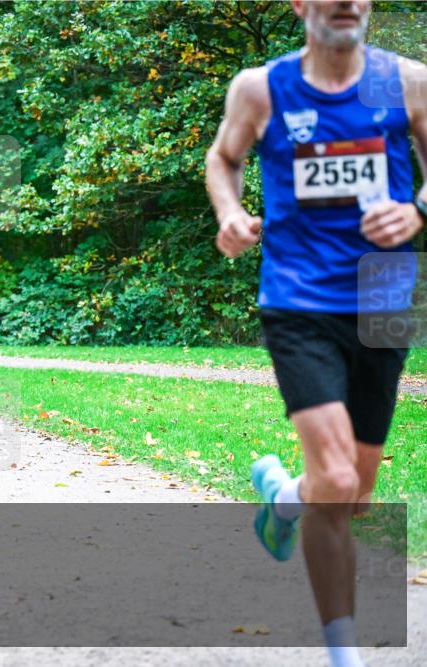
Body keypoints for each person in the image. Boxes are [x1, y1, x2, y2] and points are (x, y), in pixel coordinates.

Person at [205, 2, 426, 666]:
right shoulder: (262, 89)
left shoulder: (406, 82)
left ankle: (283, 498)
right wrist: (231, 213)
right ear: (301, 4)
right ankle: (342, 654)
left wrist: (416, 210)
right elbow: (223, 158)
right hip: (298, 297)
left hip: (383, 297)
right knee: (333, 474)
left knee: (352, 496)